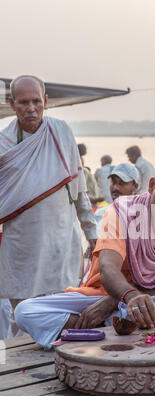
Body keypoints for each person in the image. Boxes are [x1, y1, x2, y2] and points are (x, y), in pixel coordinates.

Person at [14, 155, 155, 349]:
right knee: (26, 311)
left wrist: (114, 302)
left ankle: (98, 328)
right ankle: (113, 326)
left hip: (146, 301)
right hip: (96, 296)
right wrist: (125, 297)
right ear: (152, 185)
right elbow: (108, 268)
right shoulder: (122, 211)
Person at [0, 75, 98, 315]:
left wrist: (93, 234)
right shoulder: (3, 143)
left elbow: (79, 189)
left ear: (45, 101)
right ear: (12, 104)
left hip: (61, 240)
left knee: (64, 311)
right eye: (23, 102)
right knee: (24, 315)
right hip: (22, 245)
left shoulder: (61, 131)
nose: (31, 108)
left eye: (36, 101)